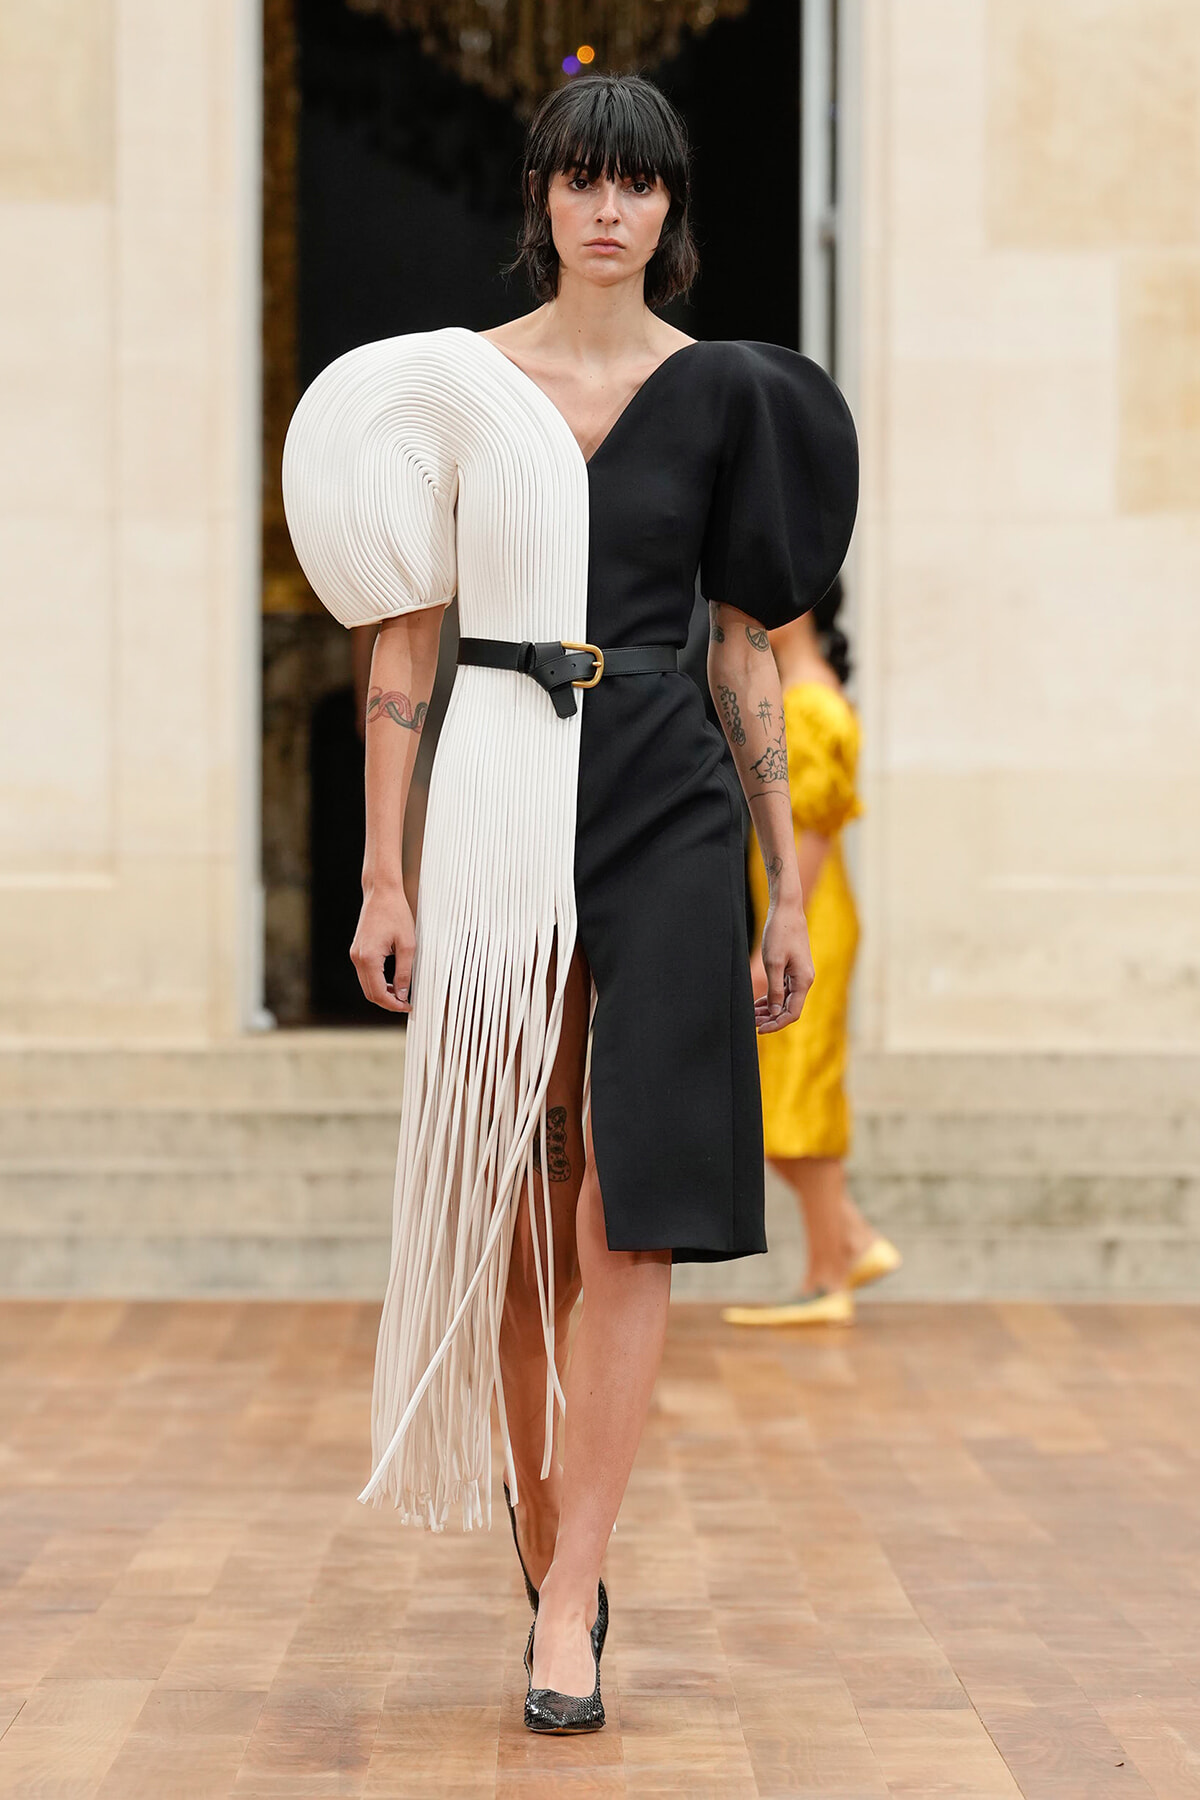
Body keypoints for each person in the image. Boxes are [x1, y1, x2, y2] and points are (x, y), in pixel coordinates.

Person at [281, 73, 857, 1735]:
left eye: (642, 186)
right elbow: (403, 639)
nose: (611, 210)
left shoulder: (724, 394)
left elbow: (746, 639)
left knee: (634, 1193)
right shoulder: (464, 389)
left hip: (671, 787)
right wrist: (384, 867)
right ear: (541, 196)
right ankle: (555, 1559)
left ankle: (568, 1593)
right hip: (502, 790)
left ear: (672, 216)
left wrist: (787, 885)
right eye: (584, 181)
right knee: (527, 1198)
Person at [723, 581, 901, 1330]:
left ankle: (833, 1268)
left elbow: (815, 837)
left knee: (796, 1093)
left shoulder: (812, 704)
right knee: (784, 1091)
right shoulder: (800, 695)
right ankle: (846, 1246)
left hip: (811, 917)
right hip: (799, 915)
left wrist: (778, 939)